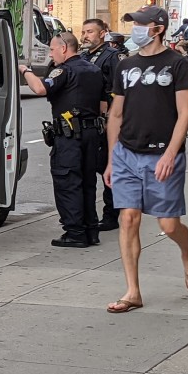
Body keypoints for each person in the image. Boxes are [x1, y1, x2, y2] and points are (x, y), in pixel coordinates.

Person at [104, 5, 188, 313]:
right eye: (134, 24)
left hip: (162, 155)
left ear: (157, 28)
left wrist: (170, 154)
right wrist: (111, 159)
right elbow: (115, 114)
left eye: (141, 24)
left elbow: (184, 113)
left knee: (169, 225)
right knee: (127, 219)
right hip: (127, 154)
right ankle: (132, 291)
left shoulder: (177, 64)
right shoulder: (125, 65)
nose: (135, 29)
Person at [21, 32, 105, 247]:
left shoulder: (64, 70)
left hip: (70, 136)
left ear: (64, 48)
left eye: (52, 49)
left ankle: (75, 233)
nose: (51, 53)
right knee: (88, 182)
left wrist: (26, 71)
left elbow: (40, 88)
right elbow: (103, 105)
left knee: (68, 182)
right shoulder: (94, 70)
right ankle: (90, 231)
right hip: (92, 134)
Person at [79, 19, 122, 232]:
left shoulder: (112, 57)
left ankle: (111, 214)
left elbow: (118, 92)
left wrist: (110, 119)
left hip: (106, 121)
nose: (86, 35)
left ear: (103, 34)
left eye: (90, 32)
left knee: (107, 166)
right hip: (88, 120)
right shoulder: (84, 56)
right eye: (84, 31)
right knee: (90, 167)